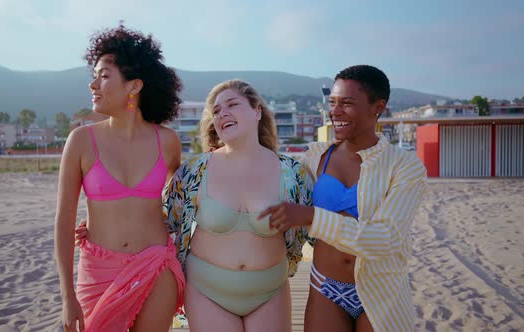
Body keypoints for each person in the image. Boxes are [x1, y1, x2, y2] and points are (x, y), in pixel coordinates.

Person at [259, 65, 426, 332]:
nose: (335, 111)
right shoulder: (315, 157)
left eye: (347, 103)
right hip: (325, 287)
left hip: (381, 291)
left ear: (378, 107)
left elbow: (386, 239)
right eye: (332, 103)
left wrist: (312, 217)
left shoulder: (404, 167)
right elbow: (266, 179)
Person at [54, 25, 185, 332]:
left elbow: (180, 201)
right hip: (98, 270)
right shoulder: (81, 141)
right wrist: (66, 295)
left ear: (134, 86)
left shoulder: (167, 141)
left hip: (156, 266)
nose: (92, 85)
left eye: (104, 75)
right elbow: (63, 220)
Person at [163, 79, 313, 332]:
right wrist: (103, 224)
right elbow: (163, 218)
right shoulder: (195, 170)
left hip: (270, 292)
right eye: (217, 111)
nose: (222, 113)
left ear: (257, 112)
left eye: (232, 104)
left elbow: (319, 228)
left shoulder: (293, 172)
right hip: (206, 292)